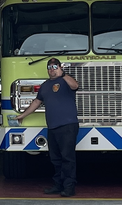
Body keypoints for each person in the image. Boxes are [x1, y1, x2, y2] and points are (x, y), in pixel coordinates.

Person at [15, 58, 79, 197]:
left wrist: (62, 74)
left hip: (68, 125)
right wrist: (22, 115)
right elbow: (36, 102)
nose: (52, 69)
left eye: (55, 66)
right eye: (49, 67)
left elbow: (75, 86)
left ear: (60, 67)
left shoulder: (66, 81)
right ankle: (58, 184)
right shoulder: (44, 86)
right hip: (53, 127)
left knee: (67, 158)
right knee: (55, 158)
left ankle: (69, 187)